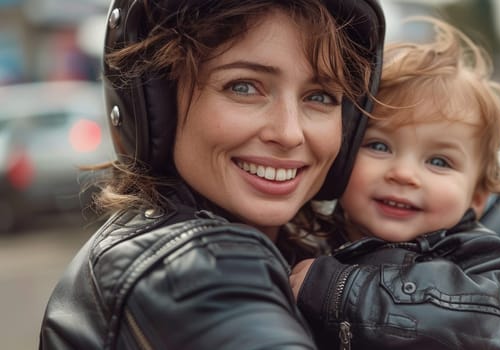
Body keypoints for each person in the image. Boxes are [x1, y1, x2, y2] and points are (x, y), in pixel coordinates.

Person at [39, 0, 385, 349]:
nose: (290, 133)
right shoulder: (189, 271)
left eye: (319, 96)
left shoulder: (311, 255)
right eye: (244, 87)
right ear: (158, 104)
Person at [289, 17, 500, 349]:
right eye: (379, 146)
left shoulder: (476, 257)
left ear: (477, 197)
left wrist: (341, 290)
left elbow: (495, 324)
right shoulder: (312, 239)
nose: (404, 174)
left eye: (439, 162)